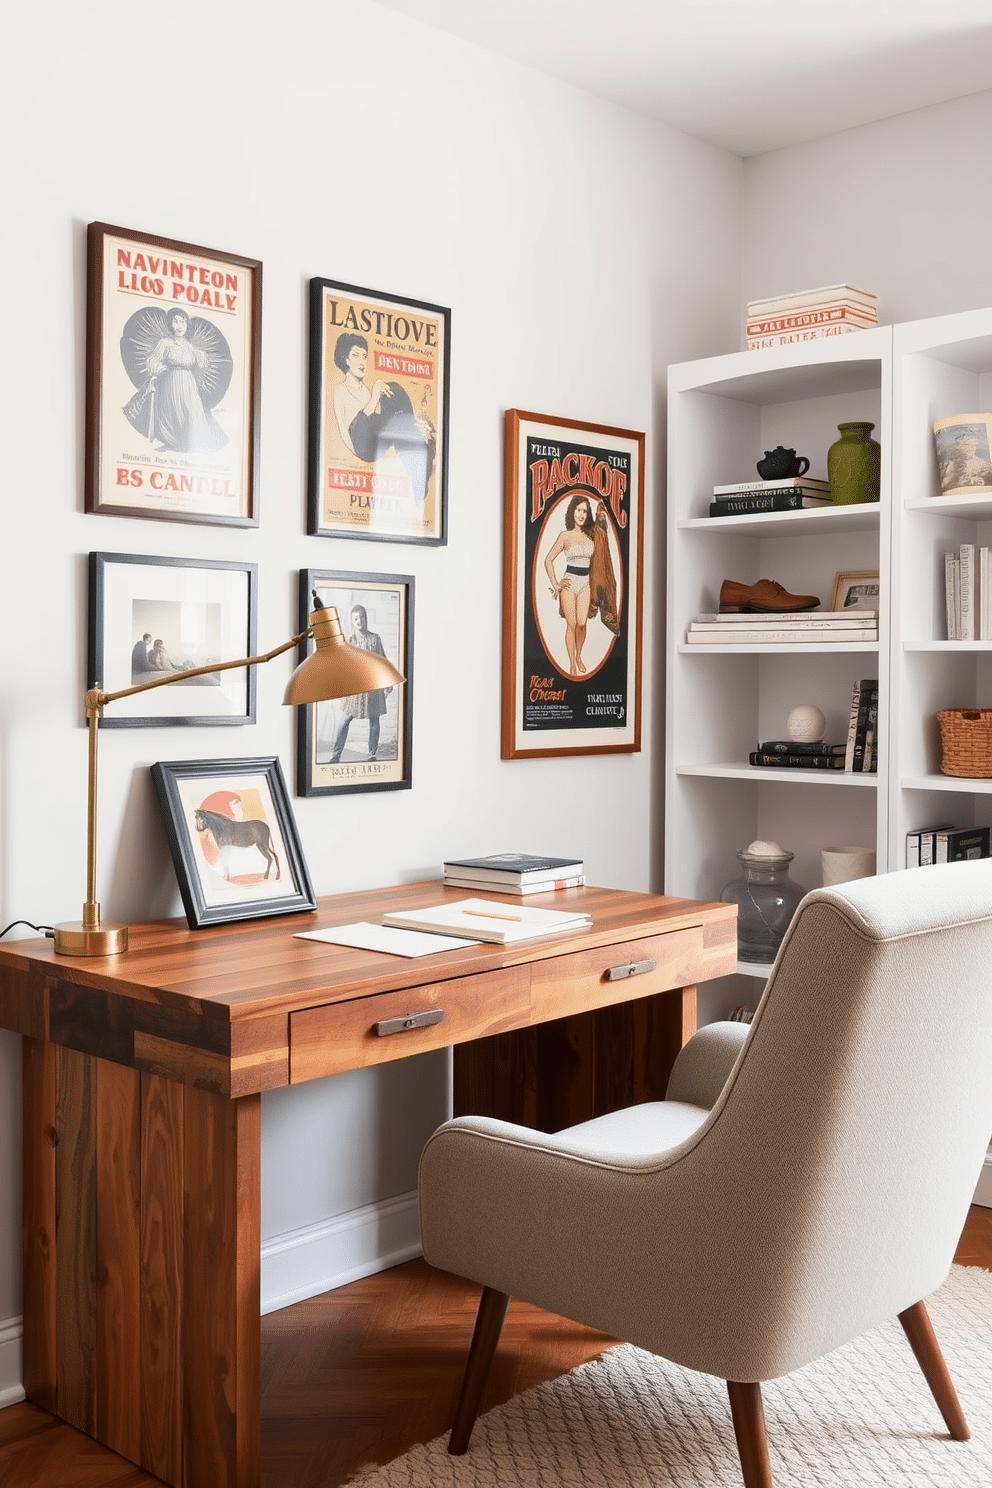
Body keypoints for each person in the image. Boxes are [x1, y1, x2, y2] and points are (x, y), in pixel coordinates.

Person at [331, 332, 435, 506]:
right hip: (360, 445)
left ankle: (418, 476)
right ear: (345, 360)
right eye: (355, 355)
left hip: (374, 441)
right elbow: (350, 431)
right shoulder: (340, 390)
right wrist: (374, 396)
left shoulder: (365, 389)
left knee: (394, 390)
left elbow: (379, 420)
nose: (361, 361)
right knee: (386, 392)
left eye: (364, 356)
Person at [123, 307, 228, 455]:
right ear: (170, 324)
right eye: (176, 321)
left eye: (182, 322)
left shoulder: (191, 347)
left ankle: (193, 443)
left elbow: (200, 364)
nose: (179, 326)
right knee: (174, 413)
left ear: (187, 324)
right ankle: (174, 443)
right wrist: (159, 368)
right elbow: (153, 360)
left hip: (189, 384)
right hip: (170, 382)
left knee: (194, 412)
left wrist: (201, 362)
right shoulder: (165, 343)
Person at [543, 494, 620, 675]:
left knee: (582, 624)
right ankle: (571, 663)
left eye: (585, 511)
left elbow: (602, 546)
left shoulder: (590, 536)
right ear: (573, 512)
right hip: (569, 583)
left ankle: (579, 655)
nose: (581, 514)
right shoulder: (565, 536)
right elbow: (548, 560)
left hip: (585, 584)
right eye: (578, 510)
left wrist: (601, 515)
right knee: (571, 624)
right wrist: (555, 583)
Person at [329, 605, 392, 762]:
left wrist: (388, 681)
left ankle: (372, 754)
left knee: (374, 720)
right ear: (352, 621)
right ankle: (336, 755)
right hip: (355, 687)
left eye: (361, 617)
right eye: (356, 618)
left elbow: (382, 660)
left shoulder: (375, 639)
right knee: (344, 719)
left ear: (366, 618)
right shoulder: (349, 641)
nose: (359, 620)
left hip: (373, 686)